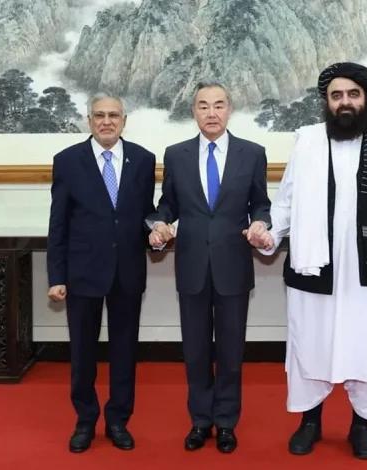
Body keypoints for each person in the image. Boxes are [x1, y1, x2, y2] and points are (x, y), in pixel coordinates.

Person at [253, 62, 367, 459]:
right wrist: (269, 233)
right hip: (315, 264)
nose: (344, 102)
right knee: (311, 342)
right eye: (336, 96)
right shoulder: (308, 142)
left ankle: (361, 426)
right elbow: (287, 202)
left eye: (352, 94)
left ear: (365, 99)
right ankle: (309, 422)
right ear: (327, 103)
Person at [147, 81, 271, 453]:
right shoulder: (177, 154)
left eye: (218, 105)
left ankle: (227, 422)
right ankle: (201, 421)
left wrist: (261, 222)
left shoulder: (252, 153)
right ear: (194, 112)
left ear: (230, 110)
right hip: (192, 265)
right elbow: (167, 205)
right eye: (203, 106)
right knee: (196, 350)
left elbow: (260, 203)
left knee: (231, 352)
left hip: (233, 264)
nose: (211, 113)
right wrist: (158, 225)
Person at [46, 93, 157, 453]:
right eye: (99, 115)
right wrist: (56, 276)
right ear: (89, 120)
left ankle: (118, 420)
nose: (106, 121)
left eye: (113, 115)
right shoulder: (67, 161)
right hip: (82, 273)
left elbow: (146, 213)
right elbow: (58, 224)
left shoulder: (143, 159)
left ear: (124, 120)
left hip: (127, 271)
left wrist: (156, 231)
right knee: (82, 353)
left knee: (125, 351)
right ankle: (85, 420)